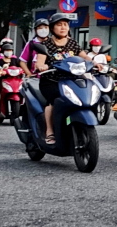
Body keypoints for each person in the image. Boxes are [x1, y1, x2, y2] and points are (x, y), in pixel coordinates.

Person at [32, 14, 86, 145]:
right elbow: (39, 62)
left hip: (71, 80)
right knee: (53, 101)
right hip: (51, 81)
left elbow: (85, 57)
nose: (63, 27)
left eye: (65, 25)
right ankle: (50, 131)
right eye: (59, 25)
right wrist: (41, 66)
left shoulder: (73, 43)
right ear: (52, 28)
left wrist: (96, 63)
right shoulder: (46, 44)